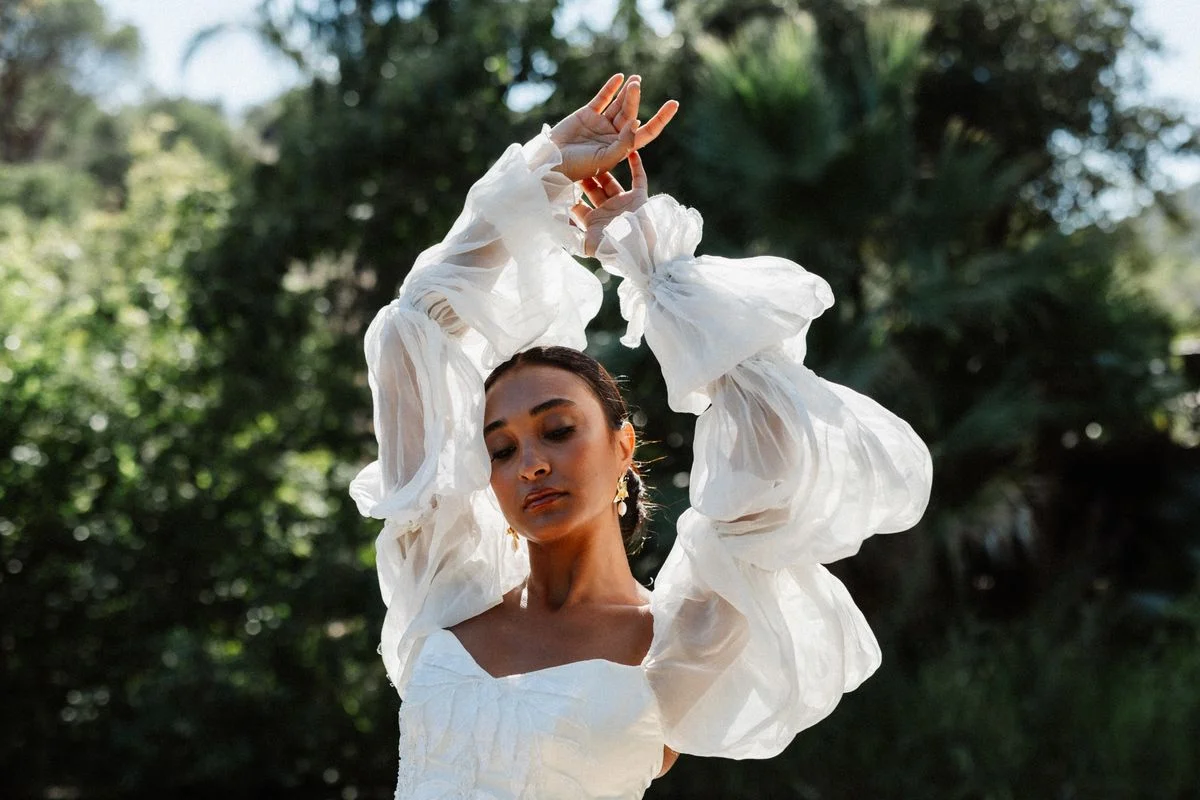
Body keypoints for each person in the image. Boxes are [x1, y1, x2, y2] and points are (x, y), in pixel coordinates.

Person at [350, 74, 933, 799]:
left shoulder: (675, 638)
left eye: (557, 430)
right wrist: (543, 171)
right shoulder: (441, 594)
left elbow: (779, 446)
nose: (530, 463)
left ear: (623, 447)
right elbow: (411, 332)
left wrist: (649, 257)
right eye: (500, 448)